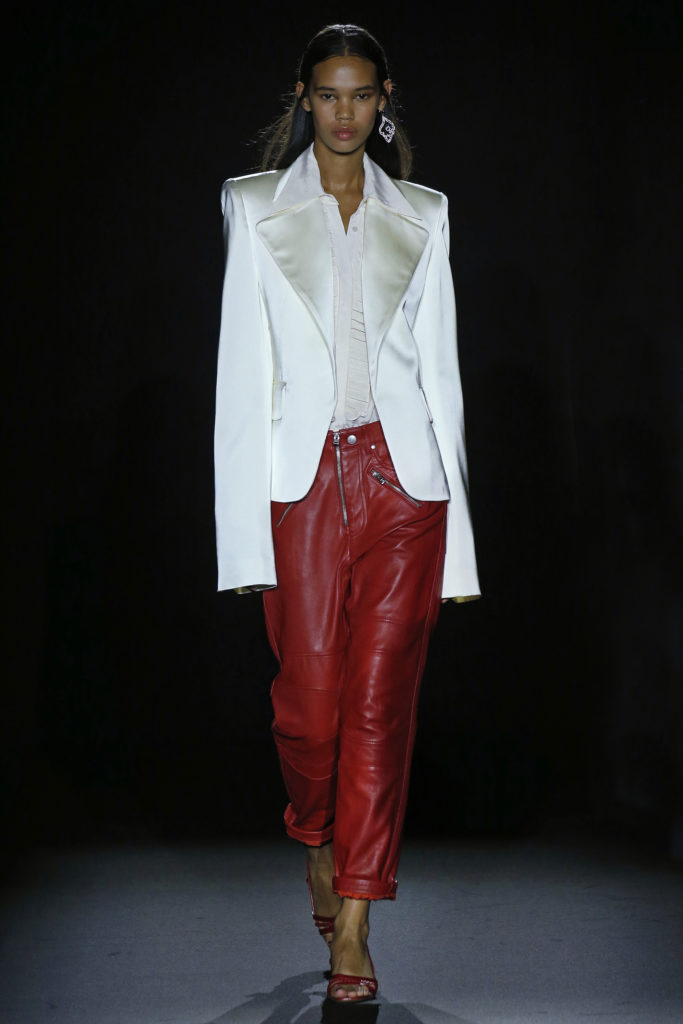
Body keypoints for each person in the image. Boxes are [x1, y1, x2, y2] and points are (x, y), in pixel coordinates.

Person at [214, 23, 480, 1003]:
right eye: (326, 94)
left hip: (403, 486)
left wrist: (460, 549)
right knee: (308, 703)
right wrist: (240, 538)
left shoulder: (424, 212)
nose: (342, 112)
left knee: (377, 707)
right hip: (302, 485)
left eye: (359, 94)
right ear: (303, 98)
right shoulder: (252, 204)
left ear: (383, 100)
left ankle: (357, 923)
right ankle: (317, 842)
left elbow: (441, 374)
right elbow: (241, 376)